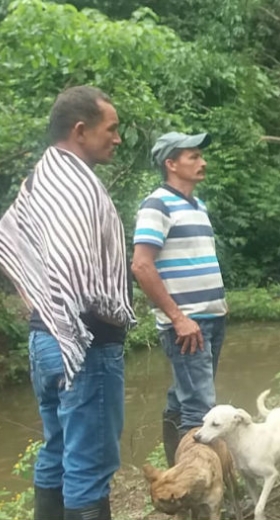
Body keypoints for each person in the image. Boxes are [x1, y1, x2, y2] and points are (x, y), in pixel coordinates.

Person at [0, 86, 135, 520]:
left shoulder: (38, 180)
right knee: (89, 468)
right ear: (81, 130)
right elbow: (75, 268)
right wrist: (107, 314)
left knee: (57, 451)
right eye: (111, 129)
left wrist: (38, 300)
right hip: (84, 346)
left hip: (45, 339)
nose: (117, 138)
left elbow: (12, 238)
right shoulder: (77, 186)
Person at [131, 132, 228, 467]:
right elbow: (142, 265)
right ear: (170, 164)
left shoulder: (198, 206)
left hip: (212, 318)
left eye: (201, 156)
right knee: (201, 408)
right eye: (193, 157)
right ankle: (198, 489)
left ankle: (176, 469)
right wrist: (178, 318)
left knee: (183, 396)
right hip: (187, 323)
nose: (202, 162)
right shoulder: (156, 204)